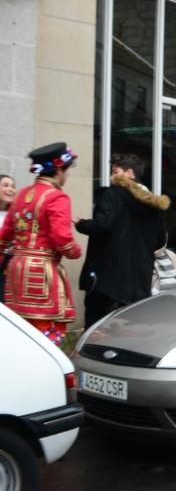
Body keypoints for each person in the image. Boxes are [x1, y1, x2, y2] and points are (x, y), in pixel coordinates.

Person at [75, 153, 170, 328]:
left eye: (115, 171)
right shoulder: (154, 205)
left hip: (108, 280)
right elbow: (160, 240)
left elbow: (103, 225)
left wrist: (81, 224)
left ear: (130, 174)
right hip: (140, 281)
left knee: (98, 329)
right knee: (132, 329)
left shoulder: (113, 194)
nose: (112, 176)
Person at [0, 143, 82, 345]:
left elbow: (4, 236)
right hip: (41, 272)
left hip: (16, 270)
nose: (68, 175)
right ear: (59, 170)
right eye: (67, 170)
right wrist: (76, 252)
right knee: (44, 333)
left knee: (19, 328)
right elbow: (62, 240)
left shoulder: (20, 196)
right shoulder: (57, 197)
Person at [0, 174, 16, 302]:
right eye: (5, 185)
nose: (11, 189)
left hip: (9, 268)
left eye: (13, 186)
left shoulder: (17, 215)